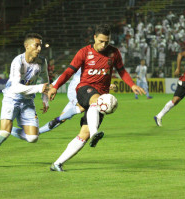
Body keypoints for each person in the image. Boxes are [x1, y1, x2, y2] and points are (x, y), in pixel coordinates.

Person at [47, 24, 145, 171]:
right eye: (101, 41)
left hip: (102, 95)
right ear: (94, 38)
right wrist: (55, 86)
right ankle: (95, 133)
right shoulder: (84, 52)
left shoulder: (114, 53)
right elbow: (68, 72)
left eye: (107, 41)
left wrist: (132, 85)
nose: (104, 45)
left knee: (83, 134)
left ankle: (57, 163)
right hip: (84, 89)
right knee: (95, 101)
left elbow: (122, 71)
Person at [0, 33, 50, 169]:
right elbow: (16, 87)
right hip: (12, 99)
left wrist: (45, 100)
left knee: (33, 138)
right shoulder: (18, 61)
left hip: (28, 102)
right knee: (3, 133)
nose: (39, 49)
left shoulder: (42, 62)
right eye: (36, 45)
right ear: (27, 46)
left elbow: (46, 81)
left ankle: (10, 130)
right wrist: (39, 88)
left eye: (40, 45)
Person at [39, 69, 117, 134]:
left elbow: (96, 82)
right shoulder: (84, 61)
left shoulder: (97, 65)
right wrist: (53, 85)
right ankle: (84, 120)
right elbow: (66, 74)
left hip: (84, 92)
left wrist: (108, 85)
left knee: (63, 118)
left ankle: (37, 132)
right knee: (82, 107)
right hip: (75, 91)